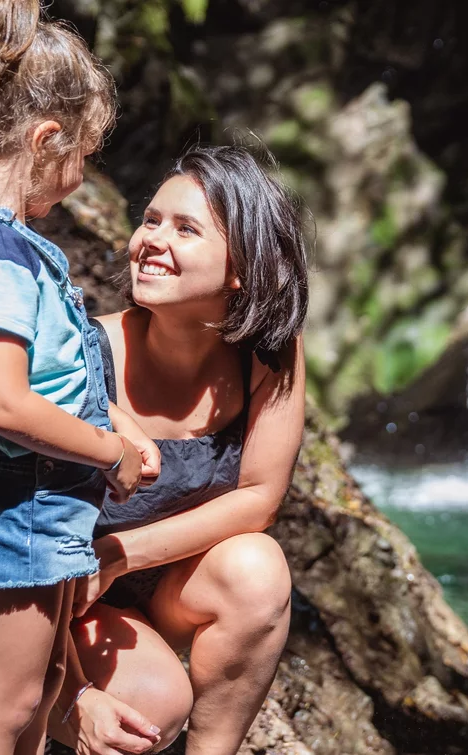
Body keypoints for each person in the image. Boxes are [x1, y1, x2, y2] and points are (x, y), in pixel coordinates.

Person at [0, 2, 161, 753]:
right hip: (17, 498)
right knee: (8, 703)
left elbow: (48, 372)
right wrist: (106, 450)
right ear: (45, 140)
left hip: (37, 496)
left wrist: (116, 425)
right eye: (83, 156)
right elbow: (4, 398)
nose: (81, 177)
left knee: (43, 690)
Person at [46, 145, 309, 755]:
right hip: (60, 597)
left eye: (185, 228)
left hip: (152, 582)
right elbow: (20, 535)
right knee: (151, 709)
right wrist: (75, 696)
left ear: (242, 267)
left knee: (257, 570)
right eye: (151, 220)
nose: (150, 240)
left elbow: (259, 499)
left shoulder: (269, 354)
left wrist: (117, 555)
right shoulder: (81, 357)